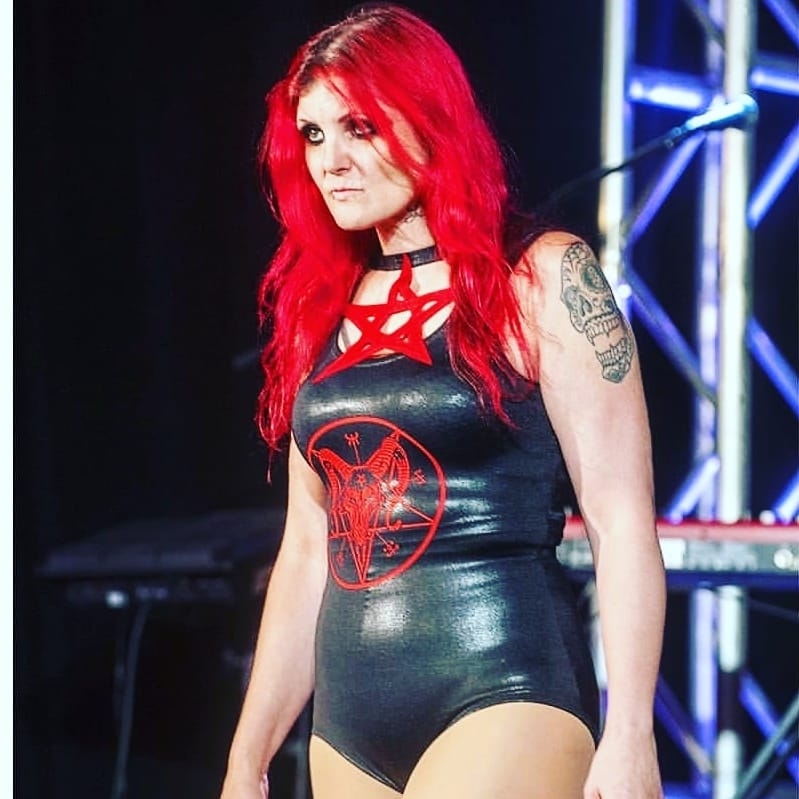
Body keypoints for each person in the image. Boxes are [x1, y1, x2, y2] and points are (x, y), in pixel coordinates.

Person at [220, 4, 666, 798]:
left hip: (505, 682)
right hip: (349, 721)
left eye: (359, 128)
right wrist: (245, 760)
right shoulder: (318, 309)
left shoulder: (540, 275)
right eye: (313, 135)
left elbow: (619, 517)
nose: (331, 161)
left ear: (428, 121)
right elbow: (306, 550)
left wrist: (631, 730)